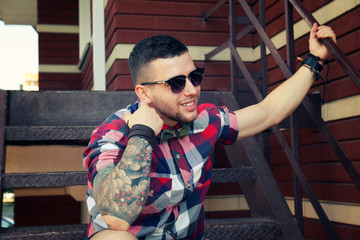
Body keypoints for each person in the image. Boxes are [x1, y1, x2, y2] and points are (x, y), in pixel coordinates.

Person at [83, 23, 336, 240]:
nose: (192, 90)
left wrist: (315, 60)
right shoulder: (114, 133)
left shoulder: (205, 121)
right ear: (144, 93)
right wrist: (142, 134)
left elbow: (268, 112)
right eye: (176, 83)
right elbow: (116, 220)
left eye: (194, 76)